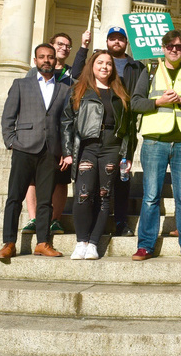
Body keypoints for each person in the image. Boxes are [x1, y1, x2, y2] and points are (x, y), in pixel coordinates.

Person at [131, 30, 181, 262]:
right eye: (170, 46)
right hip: (155, 141)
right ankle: (145, 245)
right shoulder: (150, 71)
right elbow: (135, 103)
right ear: (163, 48)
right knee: (151, 196)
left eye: (179, 46)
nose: (174, 50)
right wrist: (158, 102)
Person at [0, 43, 70, 258]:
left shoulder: (64, 88)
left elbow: (66, 122)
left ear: (55, 60)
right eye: (42, 57)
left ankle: (42, 242)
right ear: (35, 60)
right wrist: (11, 141)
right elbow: (8, 117)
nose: (46, 60)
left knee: (45, 199)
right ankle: (8, 242)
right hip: (23, 147)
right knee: (14, 197)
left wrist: (65, 150)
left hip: (50, 150)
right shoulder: (21, 84)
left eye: (50, 57)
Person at [73, 26, 145, 237]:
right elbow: (77, 74)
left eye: (120, 39)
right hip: (96, 131)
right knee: (93, 184)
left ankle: (121, 222)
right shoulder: (97, 61)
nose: (116, 42)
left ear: (126, 42)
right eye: (112, 38)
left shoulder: (137, 66)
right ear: (107, 42)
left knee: (122, 179)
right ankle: (94, 225)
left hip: (123, 126)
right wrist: (83, 46)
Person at [61, 51, 133, 260]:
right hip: (87, 146)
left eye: (109, 64)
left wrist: (126, 155)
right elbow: (67, 122)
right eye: (100, 63)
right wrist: (67, 152)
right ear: (92, 65)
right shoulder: (79, 90)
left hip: (112, 147)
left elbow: (128, 127)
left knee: (104, 195)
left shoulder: (120, 93)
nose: (104, 67)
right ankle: (81, 241)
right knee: (83, 194)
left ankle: (93, 243)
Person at [22, 33, 74, 237]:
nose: (64, 48)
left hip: (61, 135)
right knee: (33, 179)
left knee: (61, 180)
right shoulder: (32, 74)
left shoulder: (72, 76)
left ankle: (55, 220)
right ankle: (33, 218)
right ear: (50, 47)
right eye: (60, 44)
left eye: (68, 46)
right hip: (35, 135)